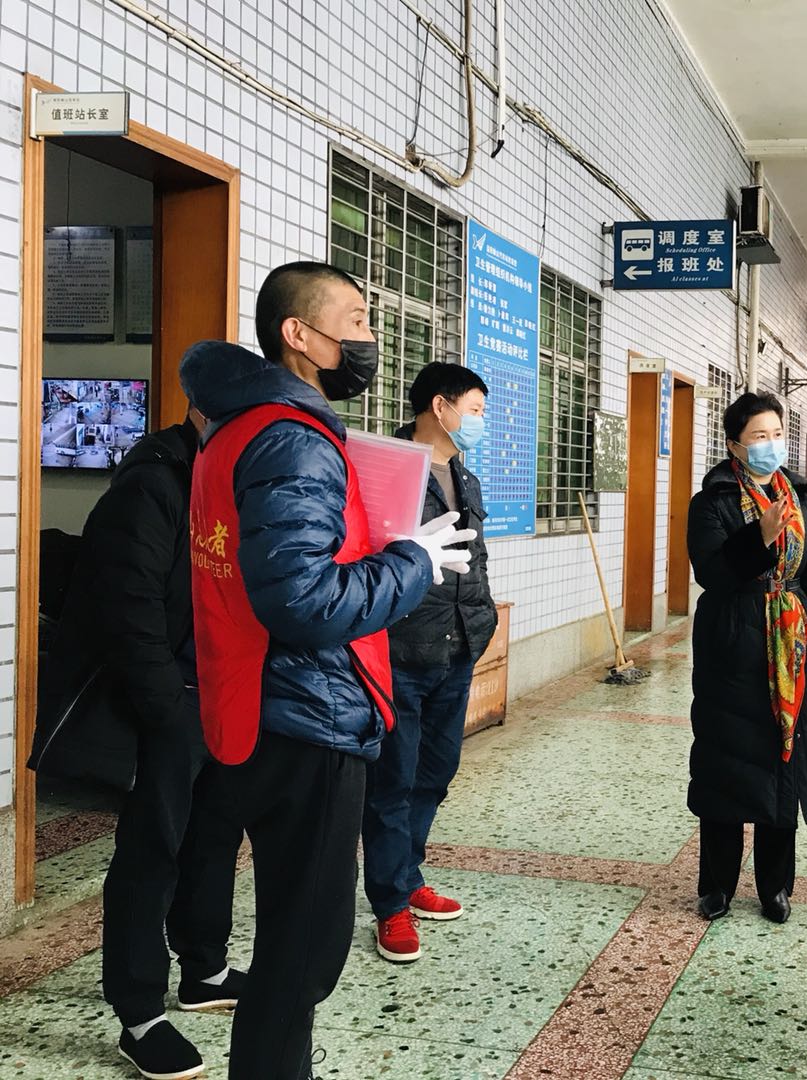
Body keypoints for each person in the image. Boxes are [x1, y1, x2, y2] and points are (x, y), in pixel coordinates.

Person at [180, 261, 476, 1080]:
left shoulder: (237, 427)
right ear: (299, 335)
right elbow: (305, 601)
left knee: (293, 935)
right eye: (357, 320)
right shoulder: (293, 439)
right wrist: (410, 561)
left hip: (256, 698)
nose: (371, 337)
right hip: (309, 715)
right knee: (303, 948)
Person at [33, 405, 245, 1080]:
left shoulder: (237, 476)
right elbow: (127, 606)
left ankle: (204, 970)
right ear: (202, 405)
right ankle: (140, 1013)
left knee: (214, 839)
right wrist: (166, 708)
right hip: (170, 705)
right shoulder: (154, 480)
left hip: (224, 698)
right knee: (151, 853)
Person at [686, 391, 807, 924]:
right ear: (734, 444)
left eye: (777, 433)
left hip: (794, 645)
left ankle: (776, 886)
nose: (771, 444)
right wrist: (759, 537)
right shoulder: (712, 502)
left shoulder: (798, 498)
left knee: (785, 761)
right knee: (725, 763)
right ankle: (717, 885)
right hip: (733, 642)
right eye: (759, 435)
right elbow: (711, 572)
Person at [363, 362, 498, 963]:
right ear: (439, 407)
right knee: (393, 779)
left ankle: (408, 873)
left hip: (459, 645)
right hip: (402, 648)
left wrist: (484, 619)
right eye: (475, 410)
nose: (480, 422)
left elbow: (476, 558)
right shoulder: (392, 469)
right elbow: (370, 554)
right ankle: (390, 902)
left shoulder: (464, 475)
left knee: (436, 773)